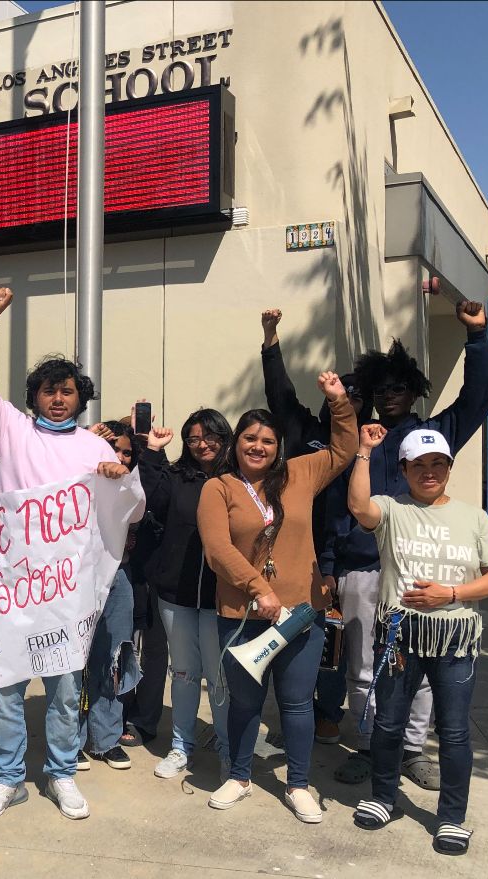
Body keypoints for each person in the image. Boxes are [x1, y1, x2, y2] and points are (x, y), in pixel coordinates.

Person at [0, 286, 141, 822]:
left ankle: (61, 773)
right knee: (5, 687)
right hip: (13, 587)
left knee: (65, 689)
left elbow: (129, 510)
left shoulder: (95, 446)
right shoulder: (9, 431)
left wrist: (120, 476)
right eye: (47, 391)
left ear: (79, 399)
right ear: (33, 397)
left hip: (67, 593)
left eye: (66, 391)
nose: (57, 399)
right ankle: (8, 777)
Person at [323, 295, 488, 789]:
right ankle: (367, 743)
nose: (392, 395)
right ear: (372, 393)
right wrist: (330, 566)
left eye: (401, 387)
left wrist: (478, 337)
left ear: (415, 391)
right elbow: (341, 508)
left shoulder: (434, 433)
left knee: (417, 669)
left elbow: (479, 396)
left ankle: (412, 750)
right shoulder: (360, 439)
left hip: (422, 571)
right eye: (383, 388)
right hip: (362, 569)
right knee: (361, 666)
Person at [197, 372, 356, 823]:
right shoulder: (219, 487)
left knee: (297, 702)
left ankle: (299, 784)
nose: (259, 447)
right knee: (245, 701)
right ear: (237, 442)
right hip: (243, 613)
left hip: (302, 612)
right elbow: (218, 548)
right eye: (250, 438)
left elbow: (344, 449)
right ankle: (240, 775)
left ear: (279, 446)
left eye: (268, 440)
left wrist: (339, 402)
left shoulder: (302, 473)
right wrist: (258, 590)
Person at [348, 427, 488, 856]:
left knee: (452, 732)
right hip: (400, 635)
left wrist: (449, 595)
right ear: (404, 471)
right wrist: (363, 451)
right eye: (418, 466)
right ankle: (383, 797)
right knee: (389, 722)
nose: (428, 473)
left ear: (449, 468)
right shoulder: (393, 509)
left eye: (437, 464)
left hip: (454, 637)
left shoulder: (474, 517)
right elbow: (358, 505)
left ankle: (451, 817)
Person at [261, 308, 370, 747]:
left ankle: (328, 711)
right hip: (302, 552)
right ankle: (298, 711)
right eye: (338, 393)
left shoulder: (372, 441)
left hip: (355, 555)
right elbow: (279, 393)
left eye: (353, 396)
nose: (344, 400)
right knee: (302, 635)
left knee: (340, 644)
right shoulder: (304, 430)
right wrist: (271, 339)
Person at [136, 408, 233, 781]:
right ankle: (181, 746)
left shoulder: (236, 480)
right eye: (193, 438)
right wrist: (153, 452)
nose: (202, 444)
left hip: (219, 596)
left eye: (210, 437)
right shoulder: (178, 477)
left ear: (224, 438)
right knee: (183, 673)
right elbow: (155, 500)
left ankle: (227, 748)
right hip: (175, 592)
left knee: (218, 676)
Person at [77, 421, 144, 771]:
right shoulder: (77, 474)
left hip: (117, 577)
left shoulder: (132, 485)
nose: (118, 456)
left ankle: (104, 738)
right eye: (112, 448)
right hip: (74, 576)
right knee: (72, 658)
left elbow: (138, 511)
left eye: (126, 452)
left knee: (114, 656)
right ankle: (69, 740)